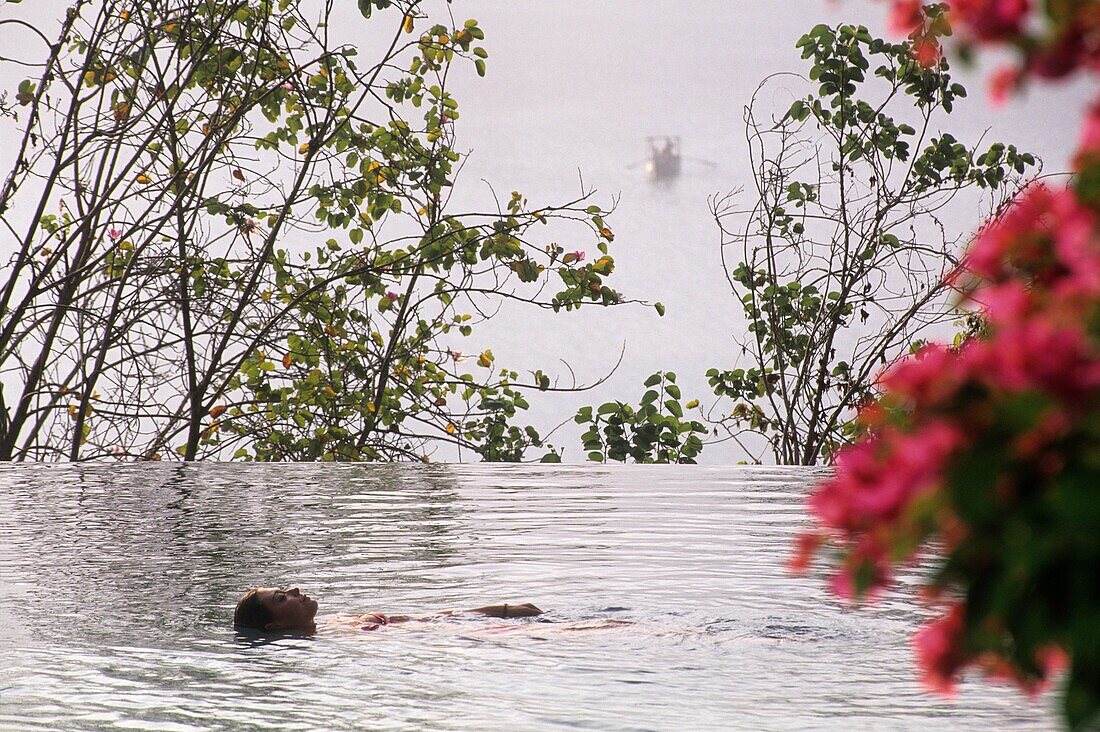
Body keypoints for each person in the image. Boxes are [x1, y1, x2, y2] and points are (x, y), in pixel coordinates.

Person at [233, 586, 543, 633]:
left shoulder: (327, 624)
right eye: (281, 599)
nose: (295, 591)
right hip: (453, 632)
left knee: (528, 609)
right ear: (275, 626)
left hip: (450, 621)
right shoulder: (332, 639)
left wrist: (501, 610)